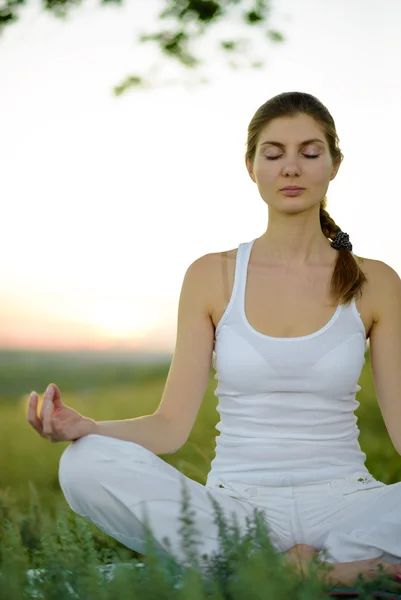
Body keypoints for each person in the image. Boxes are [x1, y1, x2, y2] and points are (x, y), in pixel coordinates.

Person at [27, 91, 401, 587]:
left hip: (349, 506)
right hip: (237, 512)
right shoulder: (212, 275)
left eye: (310, 153)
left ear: (334, 164)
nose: (291, 168)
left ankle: (274, 573)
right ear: (251, 167)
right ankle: (333, 574)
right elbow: (169, 427)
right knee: (84, 463)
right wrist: (88, 426)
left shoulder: (376, 281)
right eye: (274, 154)